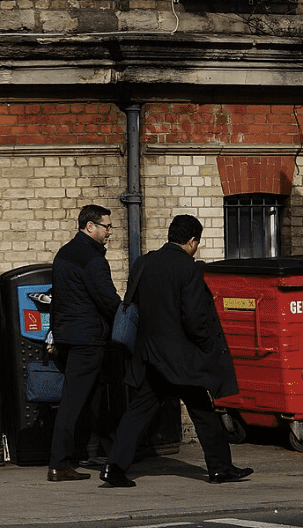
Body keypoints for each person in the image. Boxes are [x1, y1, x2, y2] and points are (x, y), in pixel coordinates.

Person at [100, 214, 250, 488]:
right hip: (181, 359)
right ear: (192, 241)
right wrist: (206, 346)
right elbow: (194, 318)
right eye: (197, 243)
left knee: (138, 412)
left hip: (150, 355)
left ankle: (114, 467)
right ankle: (220, 468)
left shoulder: (144, 263)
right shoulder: (188, 268)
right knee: (203, 412)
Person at [47, 204, 121, 481]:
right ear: (90, 226)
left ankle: (117, 457)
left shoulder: (64, 253)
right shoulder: (93, 259)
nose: (110, 231)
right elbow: (108, 300)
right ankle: (58, 463)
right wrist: (130, 320)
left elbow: (57, 299)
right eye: (107, 226)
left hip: (69, 336)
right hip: (87, 340)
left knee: (95, 402)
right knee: (73, 403)